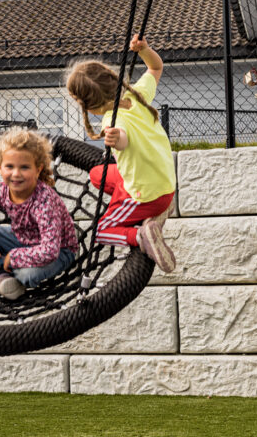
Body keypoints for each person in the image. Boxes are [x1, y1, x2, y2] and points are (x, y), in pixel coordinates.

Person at [65, 35, 176, 273]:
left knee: (101, 231)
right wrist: (144, 49)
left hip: (146, 195)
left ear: (89, 106)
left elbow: (122, 139)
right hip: (165, 182)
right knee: (97, 175)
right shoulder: (137, 93)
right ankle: (156, 211)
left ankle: (143, 235)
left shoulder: (111, 121)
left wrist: (116, 139)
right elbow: (156, 67)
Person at [0, 127, 79, 300]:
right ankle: (1, 278)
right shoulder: (1, 191)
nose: (16, 174)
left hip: (59, 250)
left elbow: (49, 251)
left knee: (27, 275)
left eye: (24, 167)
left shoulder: (44, 200)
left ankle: (11, 270)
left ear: (38, 169)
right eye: (9, 166)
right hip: (21, 240)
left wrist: (14, 256)